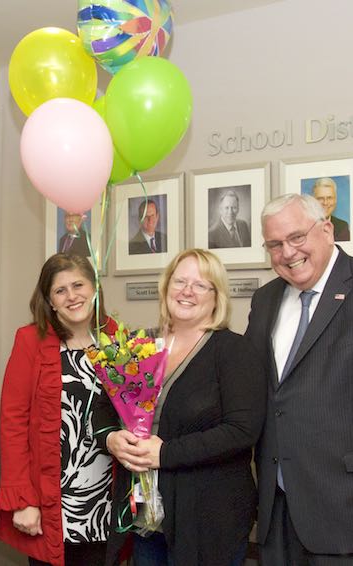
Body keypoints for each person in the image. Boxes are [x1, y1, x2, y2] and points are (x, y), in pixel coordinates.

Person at [95, 248, 266, 566]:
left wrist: (166, 453)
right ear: (165, 287)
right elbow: (103, 406)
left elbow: (242, 431)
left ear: (217, 297)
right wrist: (110, 439)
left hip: (209, 521)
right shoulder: (139, 344)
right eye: (180, 281)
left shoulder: (233, 351)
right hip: (146, 520)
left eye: (201, 285)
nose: (187, 291)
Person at [245, 193, 353, 564]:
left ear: (326, 230)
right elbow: (254, 390)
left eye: (296, 238)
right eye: (275, 244)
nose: (288, 253)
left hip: (342, 507)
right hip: (276, 510)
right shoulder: (265, 300)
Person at [0, 253, 118, 566]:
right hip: (50, 501)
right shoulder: (30, 341)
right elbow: (13, 424)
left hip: (106, 498)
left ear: (94, 289)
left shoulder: (116, 337)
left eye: (78, 285)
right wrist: (24, 500)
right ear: (49, 301)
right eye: (60, 290)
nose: (71, 296)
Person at [312, 176, 350, 241]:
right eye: (320, 198)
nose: (325, 203)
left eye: (329, 198)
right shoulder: (305, 226)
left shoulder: (342, 227)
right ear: (313, 200)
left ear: (335, 200)